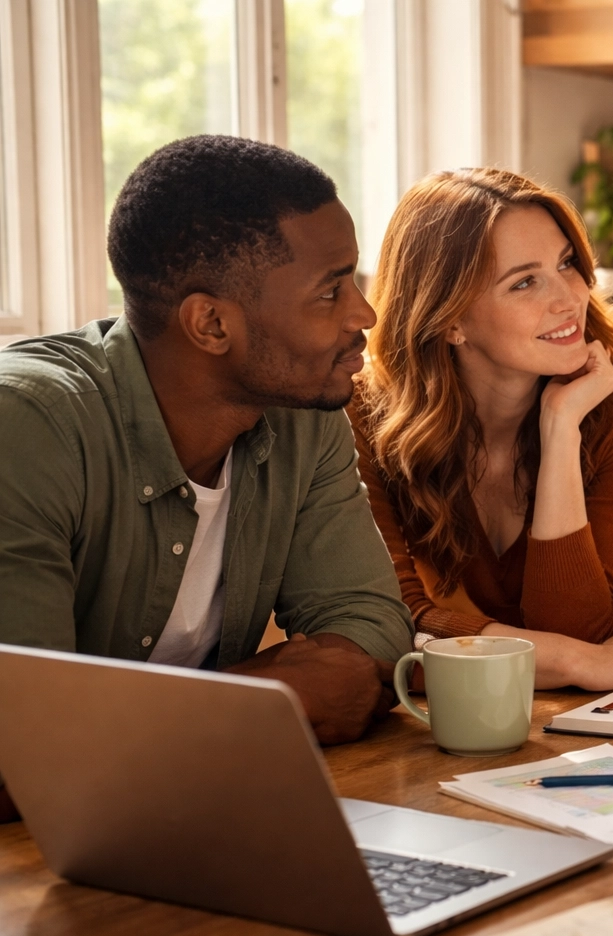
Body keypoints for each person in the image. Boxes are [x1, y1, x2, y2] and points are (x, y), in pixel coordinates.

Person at [0, 136, 417, 821]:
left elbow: (370, 628)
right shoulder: (29, 427)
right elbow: (23, 755)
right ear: (212, 323)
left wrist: (168, 717)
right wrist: (273, 695)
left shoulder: (301, 415)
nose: (363, 315)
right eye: (329, 291)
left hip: (176, 816)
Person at [349, 169, 613, 690]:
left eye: (567, 263)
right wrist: (573, 663)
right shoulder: (364, 416)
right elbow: (387, 626)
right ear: (450, 319)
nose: (569, 299)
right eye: (524, 281)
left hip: (586, 722)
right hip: (448, 721)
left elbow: (579, 629)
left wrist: (562, 427)